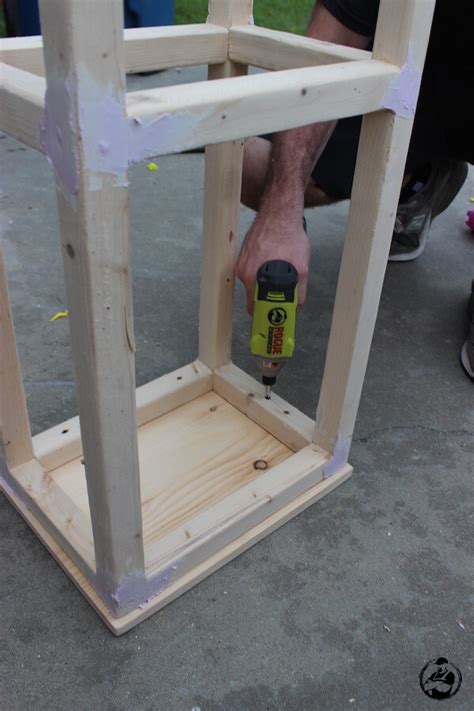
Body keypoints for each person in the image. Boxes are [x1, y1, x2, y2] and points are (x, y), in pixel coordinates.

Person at [236, 0, 473, 375]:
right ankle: (419, 182)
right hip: (408, 78)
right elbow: (324, 54)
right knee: (247, 162)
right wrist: (280, 214)